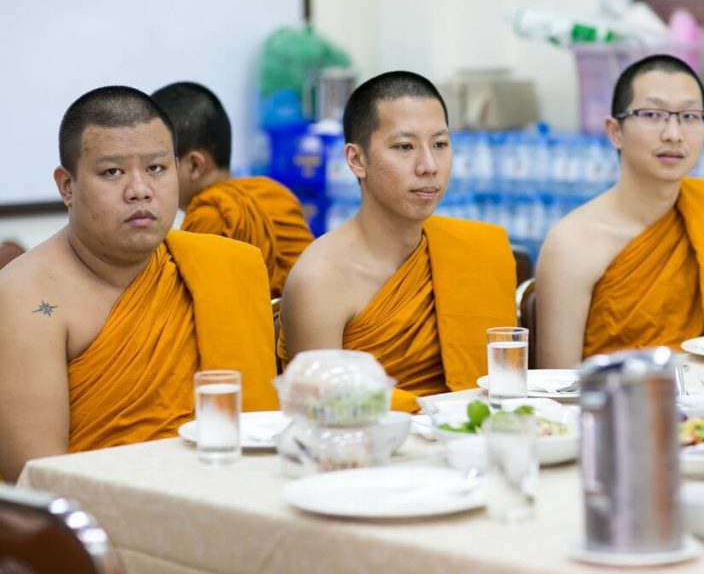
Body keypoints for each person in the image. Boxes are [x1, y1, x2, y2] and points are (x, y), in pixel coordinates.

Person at [0, 86, 278, 481]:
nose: (140, 190)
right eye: (112, 172)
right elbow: (35, 481)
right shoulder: (24, 298)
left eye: (156, 168)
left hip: (231, 499)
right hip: (101, 527)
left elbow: (262, 434)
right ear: (67, 186)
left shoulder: (225, 266)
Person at [279, 71, 517, 412]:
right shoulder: (321, 279)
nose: (428, 165)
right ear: (356, 159)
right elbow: (319, 416)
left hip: (472, 442)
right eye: (404, 147)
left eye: (440, 144)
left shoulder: (474, 252)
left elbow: (503, 392)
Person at [534, 55, 704, 368]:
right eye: (653, 114)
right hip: (619, 409)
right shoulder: (572, 243)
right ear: (615, 131)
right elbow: (557, 386)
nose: (673, 134)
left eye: (690, 117)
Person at [151, 82, 314, 299]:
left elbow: (195, 304)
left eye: (155, 167)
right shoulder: (275, 192)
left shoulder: (211, 215)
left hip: (261, 330)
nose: (146, 180)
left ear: (195, 166)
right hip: (309, 322)